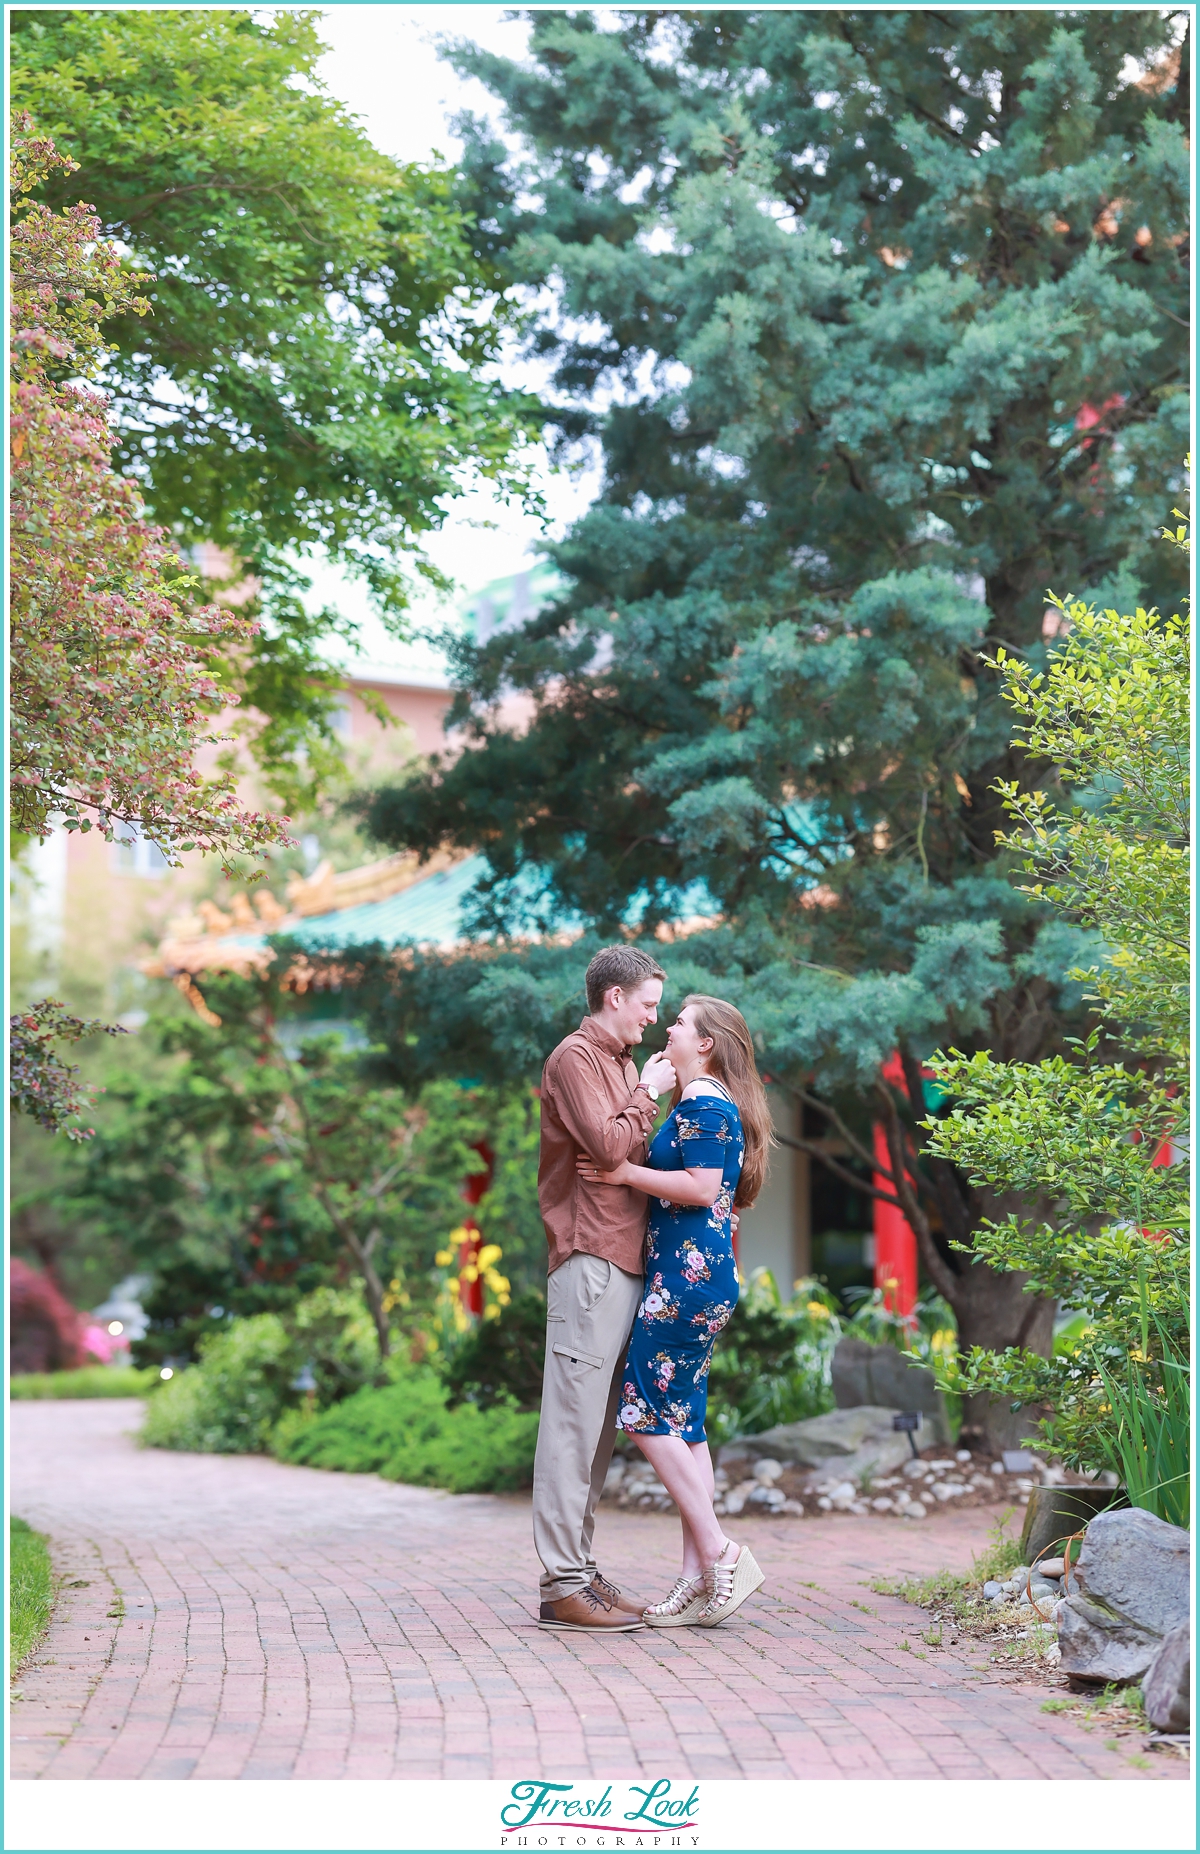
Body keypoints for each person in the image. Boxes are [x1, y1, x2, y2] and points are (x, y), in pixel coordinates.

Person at [577, 994, 773, 1628]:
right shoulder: (705, 1101)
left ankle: (720, 1552)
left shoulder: (703, 1100)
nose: (668, 1027)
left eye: (681, 1022)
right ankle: (695, 1578)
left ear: (706, 1043)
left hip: (684, 1282)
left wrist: (625, 1174)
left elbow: (701, 1188)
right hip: (696, 1276)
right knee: (685, 1423)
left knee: (642, 1413)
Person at [533, 944, 676, 1632]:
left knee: (595, 1433)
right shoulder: (576, 1058)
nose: (653, 1019)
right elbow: (611, 1147)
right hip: (589, 1254)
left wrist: (632, 1113)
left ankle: (579, 1572)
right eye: (647, 1004)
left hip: (623, 1255)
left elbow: (624, 1155)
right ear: (613, 996)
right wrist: (645, 1098)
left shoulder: (619, 1064)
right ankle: (562, 1580)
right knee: (571, 1426)